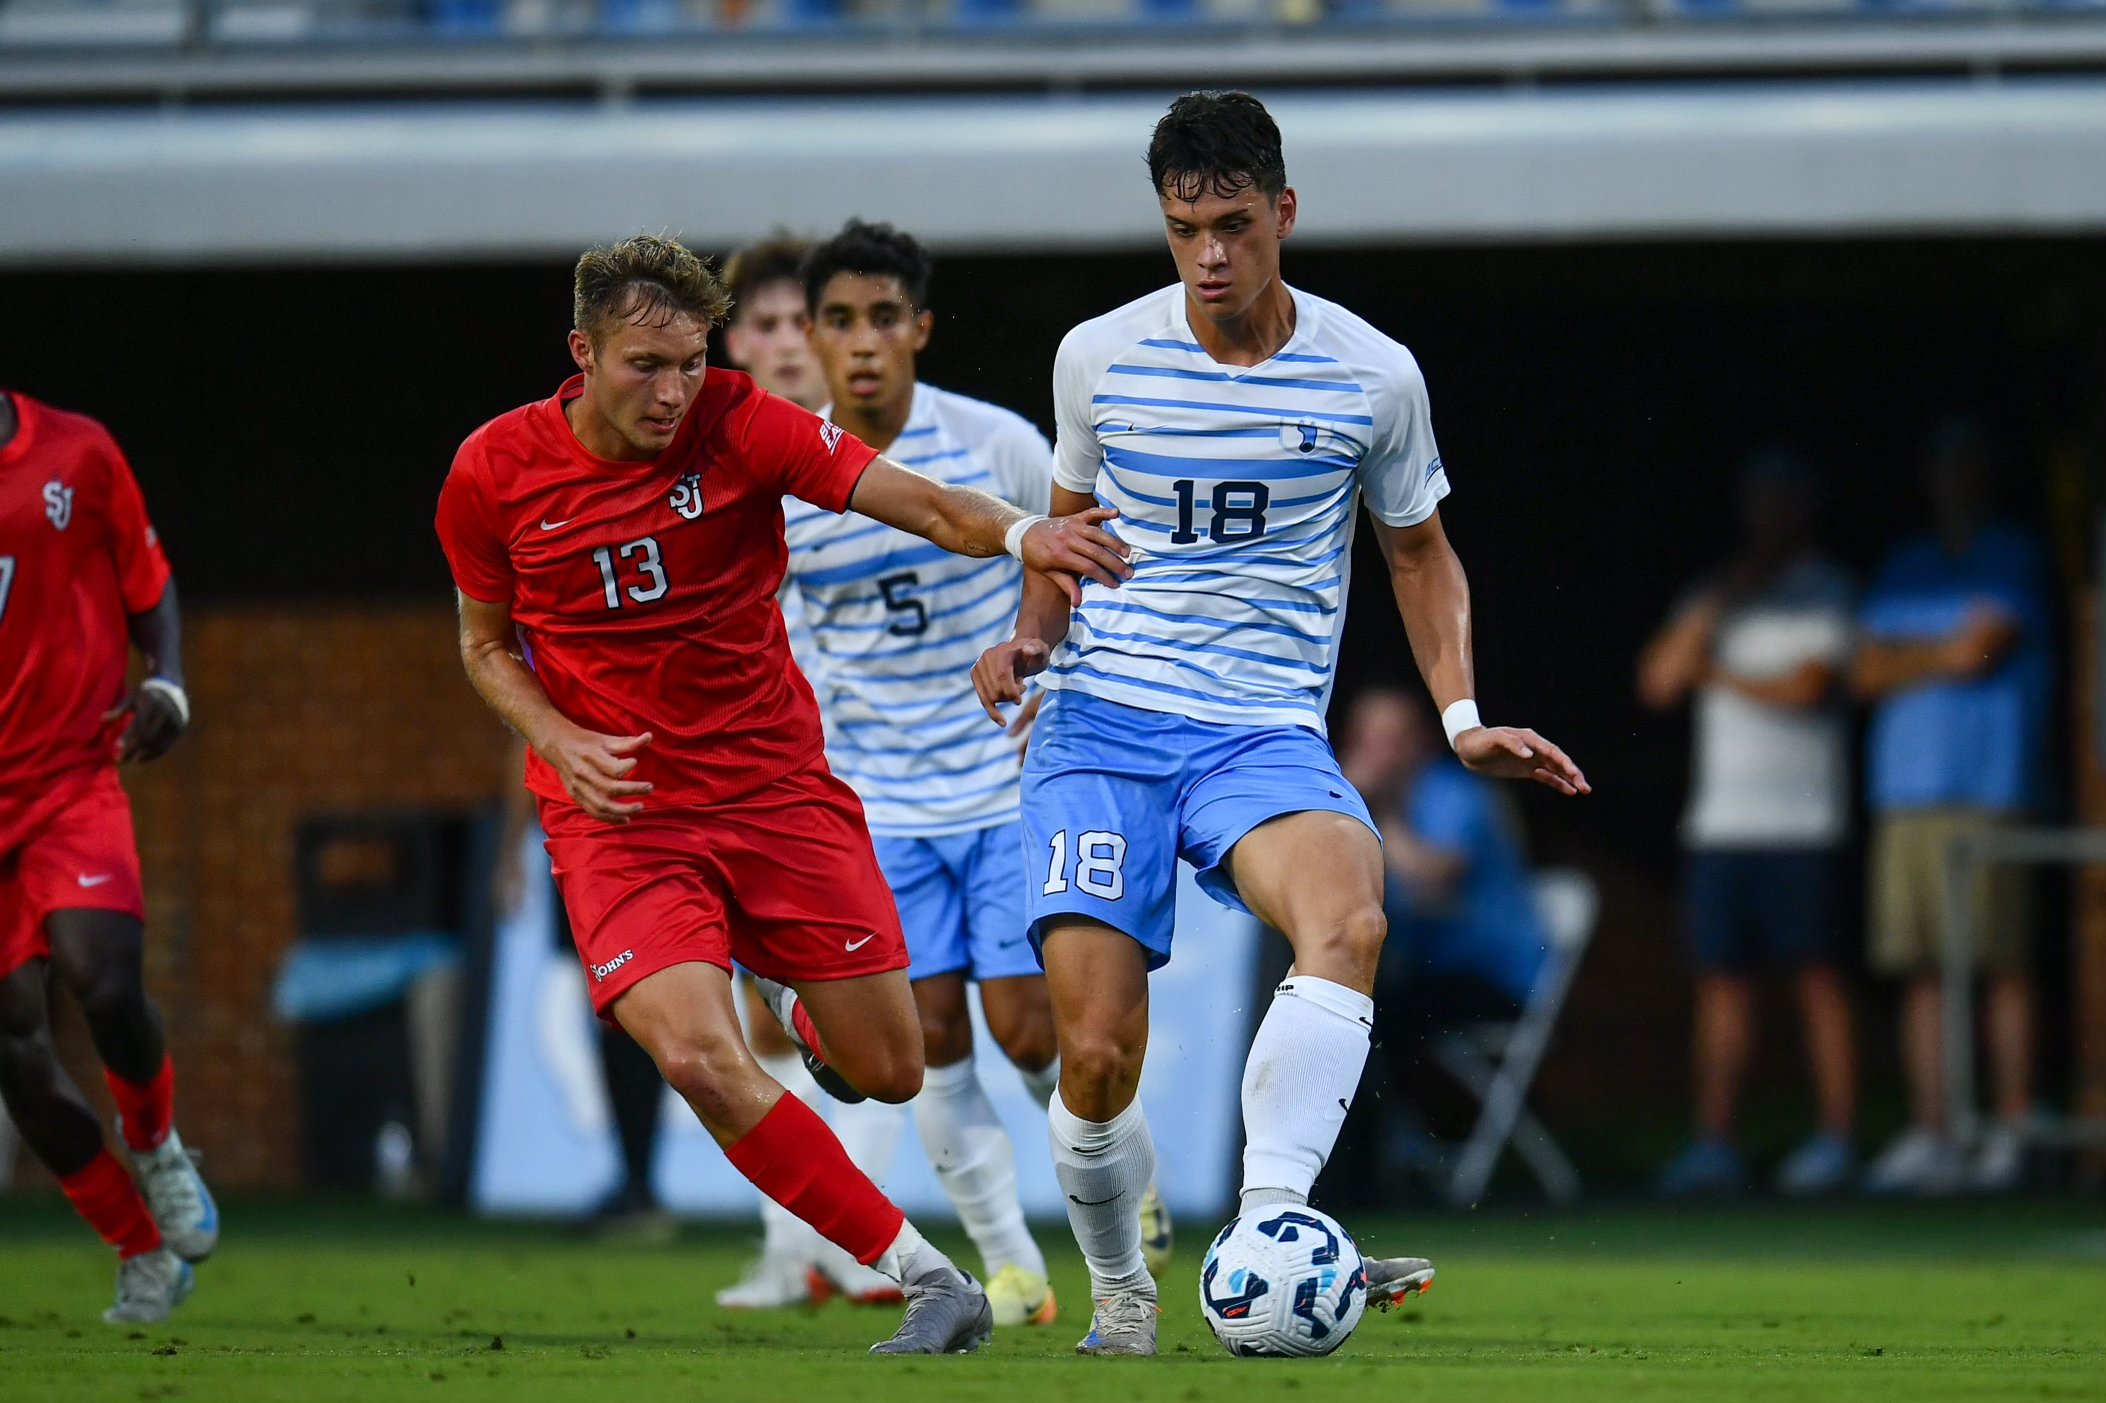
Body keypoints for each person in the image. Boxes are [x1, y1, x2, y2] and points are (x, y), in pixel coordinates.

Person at [970, 91, 1588, 1356]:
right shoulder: (1099, 356)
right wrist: (1032, 637)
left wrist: (1461, 714)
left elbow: (1421, 556)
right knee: (1091, 1057)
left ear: (1283, 213)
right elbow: (1066, 533)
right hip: (1104, 724)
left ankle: (1269, 1227)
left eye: (1234, 224)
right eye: (1184, 226)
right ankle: (1127, 1292)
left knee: (1351, 912)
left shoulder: (1372, 374)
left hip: (1257, 730)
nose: (1209, 254)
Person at [434, 233, 1130, 1356]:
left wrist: (1019, 530)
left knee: (889, 1069)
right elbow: (483, 645)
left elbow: (919, 502)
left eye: (690, 363)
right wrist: (558, 738)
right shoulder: (492, 471)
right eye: (643, 365)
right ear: (583, 351)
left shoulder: (743, 420)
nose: (672, 391)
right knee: (701, 1056)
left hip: (773, 790)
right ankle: (927, 1275)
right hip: (621, 815)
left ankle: (799, 1004)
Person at [779, 218, 1083, 1328]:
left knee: (1030, 1031)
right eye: (839, 321)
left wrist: (1047, 680)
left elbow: (1074, 567)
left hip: (1000, 787)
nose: (862, 343)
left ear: (920, 328)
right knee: (932, 1043)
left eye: (883, 318)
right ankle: (1012, 1269)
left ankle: (1115, 1181)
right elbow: (774, 627)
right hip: (877, 805)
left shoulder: (997, 444)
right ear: (813, 336)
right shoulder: (789, 475)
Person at [713, 233, 909, 1311]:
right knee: (759, 1018)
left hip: (873, 769)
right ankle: (796, 1247)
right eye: (772, 325)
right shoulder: (708, 457)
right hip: (749, 776)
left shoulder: (865, 452)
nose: (790, 343)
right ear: (736, 338)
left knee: (867, 1012)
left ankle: (851, 1238)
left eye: (807, 323)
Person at [0, 389, 218, 1323]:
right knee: (16, 1055)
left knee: (103, 978)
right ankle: (140, 1251)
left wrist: (164, 676)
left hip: (68, 778)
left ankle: (159, 1144)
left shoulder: (78, 453)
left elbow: (148, 576)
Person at [1638, 451, 1859, 1197]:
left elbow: (1808, 687)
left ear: (1804, 510)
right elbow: (1661, 681)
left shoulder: (1826, 587)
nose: (1768, 517)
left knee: (1816, 979)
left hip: (1803, 821)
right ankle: (1716, 1142)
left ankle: (1836, 1137)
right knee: (1722, 986)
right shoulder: (1717, 592)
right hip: (1720, 824)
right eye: (1758, 502)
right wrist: (1719, 604)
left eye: (1782, 502)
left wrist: (1720, 674)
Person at [1853, 417, 2050, 1195]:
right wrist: (1935, 654)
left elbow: (1985, 649)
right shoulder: (1905, 563)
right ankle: (1936, 1130)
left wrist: (1909, 655)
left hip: (1989, 791)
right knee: (1920, 967)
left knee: (2000, 962)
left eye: (1967, 461)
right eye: (1943, 463)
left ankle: (2008, 1121)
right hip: (1906, 793)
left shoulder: (2013, 553)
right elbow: (1864, 673)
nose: (1954, 477)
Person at [1335, 689, 1550, 1189]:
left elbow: (1433, 885)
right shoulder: (1353, 802)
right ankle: (1385, 1159)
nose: (1379, 751)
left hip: (1494, 976)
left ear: (1422, 744)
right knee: (1344, 1013)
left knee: (1372, 1025)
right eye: (1368, 739)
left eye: (1393, 738)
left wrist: (1371, 809)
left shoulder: (1457, 794)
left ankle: (1382, 1170)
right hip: (1426, 971)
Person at [494, 735, 674, 1240]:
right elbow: (528, 745)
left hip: (614, 842)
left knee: (629, 1012)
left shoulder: (562, 663)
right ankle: (637, 1181)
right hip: (597, 840)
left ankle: (638, 1183)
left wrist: (509, 852)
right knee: (619, 1013)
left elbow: (526, 744)